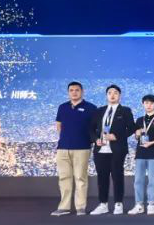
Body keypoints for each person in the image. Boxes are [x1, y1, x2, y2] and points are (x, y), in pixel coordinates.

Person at [89, 84, 135, 215]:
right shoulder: (99, 111)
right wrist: (95, 139)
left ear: (120, 95)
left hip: (117, 149)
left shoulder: (125, 111)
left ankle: (118, 203)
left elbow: (131, 128)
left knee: (117, 176)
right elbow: (91, 128)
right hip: (101, 149)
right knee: (102, 177)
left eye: (115, 93)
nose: (112, 95)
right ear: (106, 95)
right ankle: (103, 204)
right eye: (109, 93)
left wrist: (116, 136)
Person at [52, 81, 96, 216]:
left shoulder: (91, 108)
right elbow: (59, 125)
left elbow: (95, 128)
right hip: (63, 148)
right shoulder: (62, 107)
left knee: (80, 178)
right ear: (68, 92)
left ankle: (80, 207)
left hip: (82, 148)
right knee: (64, 178)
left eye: (77, 90)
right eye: (71, 90)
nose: (74, 92)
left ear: (82, 92)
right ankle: (64, 207)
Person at [129, 94, 154, 215]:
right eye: (146, 103)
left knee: (152, 180)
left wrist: (152, 143)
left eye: (151, 103)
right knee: (138, 180)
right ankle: (139, 205)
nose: (148, 105)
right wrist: (137, 134)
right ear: (143, 104)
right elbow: (136, 137)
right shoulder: (139, 120)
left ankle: (151, 204)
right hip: (140, 153)